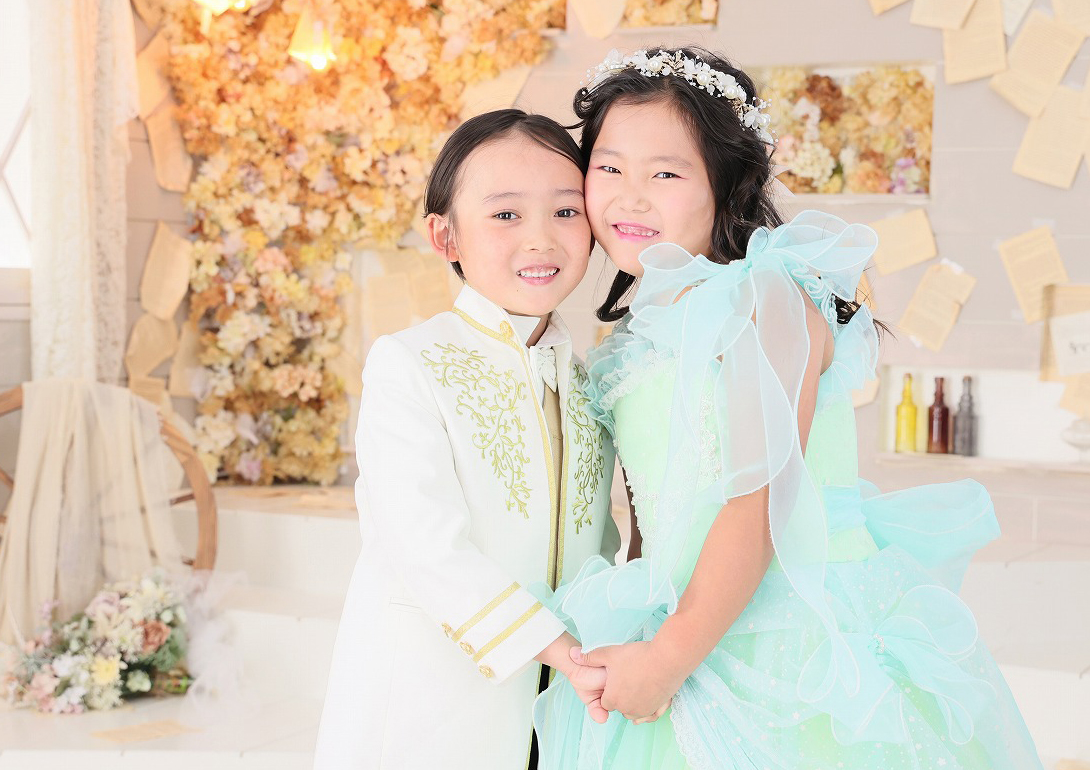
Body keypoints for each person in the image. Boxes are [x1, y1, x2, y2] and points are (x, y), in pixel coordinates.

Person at [530, 47, 1044, 769]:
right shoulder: (627, 344)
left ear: (726, 184)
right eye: (609, 169)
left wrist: (669, 659)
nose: (630, 198)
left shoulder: (764, 297)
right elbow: (649, 524)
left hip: (790, 646)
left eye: (666, 174)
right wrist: (644, 640)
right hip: (680, 624)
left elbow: (762, 498)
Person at [314, 109, 620, 770]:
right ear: (444, 235)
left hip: (562, 701)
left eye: (566, 212)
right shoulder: (410, 363)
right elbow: (424, 545)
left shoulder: (587, 379)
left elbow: (598, 541)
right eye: (506, 214)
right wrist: (559, 649)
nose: (540, 238)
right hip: (434, 699)